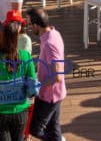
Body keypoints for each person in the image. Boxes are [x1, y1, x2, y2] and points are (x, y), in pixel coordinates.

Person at [27, 7, 65, 141]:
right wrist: (32, 66)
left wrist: (39, 85)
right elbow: (45, 60)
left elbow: (57, 76)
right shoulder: (53, 33)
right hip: (56, 94)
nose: (29, 27)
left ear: (36, 25)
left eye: (30, 24)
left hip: (49, 96)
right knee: (53, 129)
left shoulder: (49, 43)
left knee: (35, 129)